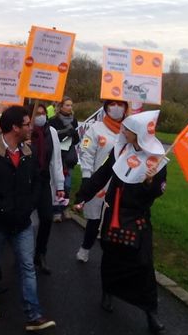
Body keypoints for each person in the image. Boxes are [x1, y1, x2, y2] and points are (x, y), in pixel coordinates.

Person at [75, 110, 167, 334]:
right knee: (112, 257)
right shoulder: (120, 151)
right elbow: (103, 174)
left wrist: (150, 182)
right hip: (114, 215)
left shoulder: (158, 159)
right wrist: (83, 196)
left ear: (138, 134)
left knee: (143, 264)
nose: (122, 130)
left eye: (127, 129)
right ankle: (108, 291)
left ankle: (150, 311)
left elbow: (156, 192)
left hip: (137, 219)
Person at [0, 106, 56, 332]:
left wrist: (31, 204)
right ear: (15, 127)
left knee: (27, 266)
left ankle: (33, 315)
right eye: (27, 124)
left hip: (22, 223)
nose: (31, 127)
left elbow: (39, 180)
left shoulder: (29, 153)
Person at [75, 100, 128, 263]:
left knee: (116, 220)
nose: (117, 108)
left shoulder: (129, 131)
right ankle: (85, 248)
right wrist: (86, 177)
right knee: (95, 219)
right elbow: (87, 153)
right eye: (113, 104)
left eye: (121, 104)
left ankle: (112, 257)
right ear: (106, 107)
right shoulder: (96, 129)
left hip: (120, 184)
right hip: (98, 183)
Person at [30, 104, 65, 275]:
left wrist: (60, 185)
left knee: (46, 218)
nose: (41, 116)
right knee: (23, 220)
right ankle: (22, 253)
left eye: (43, 113)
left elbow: (56, 160)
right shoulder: (25, 131)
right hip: (26, 183)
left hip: (44, 181)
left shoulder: (51, 132)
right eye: (37, 113)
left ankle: (40, 254)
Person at [49, 96, 80, 222]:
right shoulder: (53, 120)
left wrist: (73, 134)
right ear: (60, 106)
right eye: (67, 105)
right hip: (57, 155)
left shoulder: (74, 120)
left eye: (71, 105)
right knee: (57, 183)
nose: (70, 107)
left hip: (69, 156)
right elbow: (52, 137)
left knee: (67, 184)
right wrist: (65, 133)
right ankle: (56, 211)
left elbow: (76, 140)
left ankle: (65, 207)